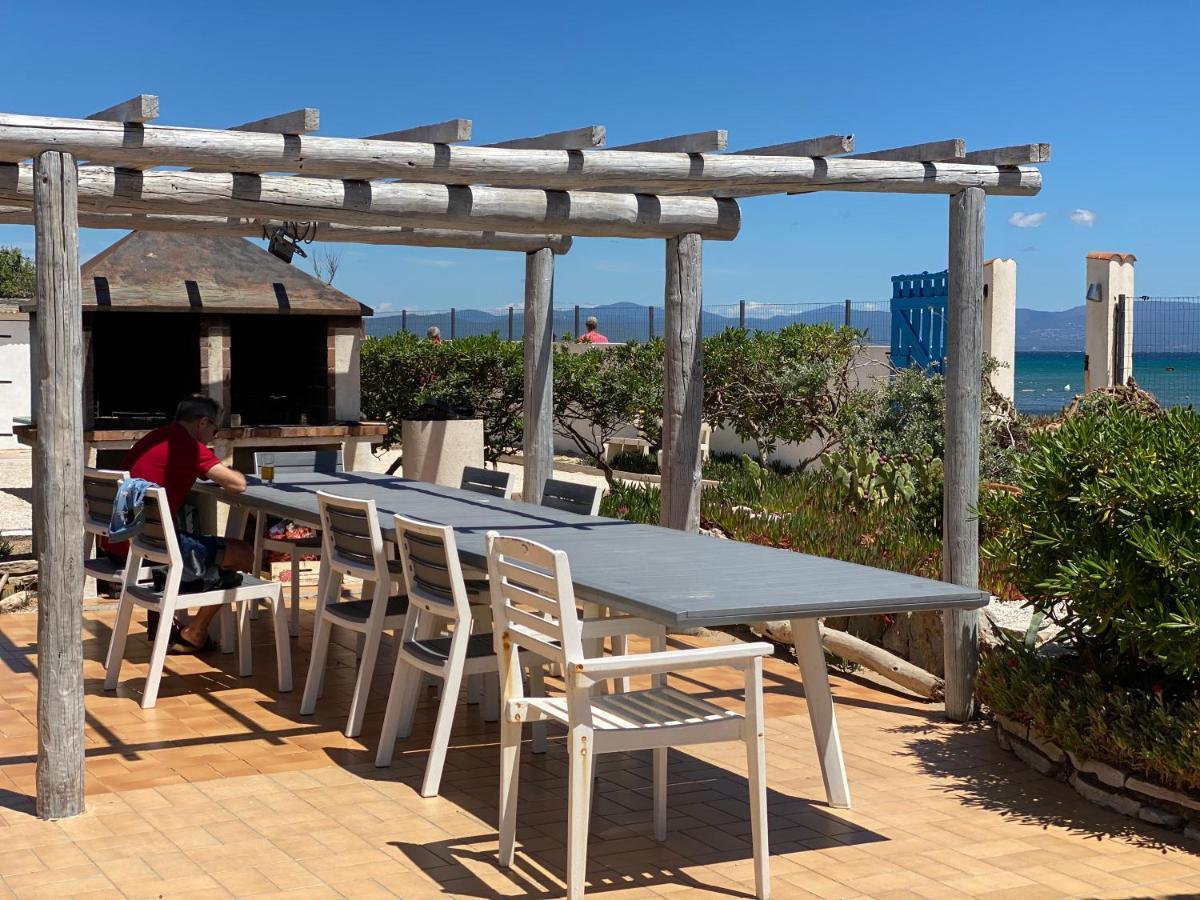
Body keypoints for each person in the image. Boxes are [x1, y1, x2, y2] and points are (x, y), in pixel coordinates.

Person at [103, 395, 251, 653]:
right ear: (203, 422)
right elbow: (238, 484)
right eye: (214, 430)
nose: (213, 437)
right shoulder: (189, 447)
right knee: (243, 554)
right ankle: (195, 633)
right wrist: (222, 466)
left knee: (210, 548)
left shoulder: (156, 438)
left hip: (122, 541)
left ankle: (176, 621)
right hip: (152, 549)